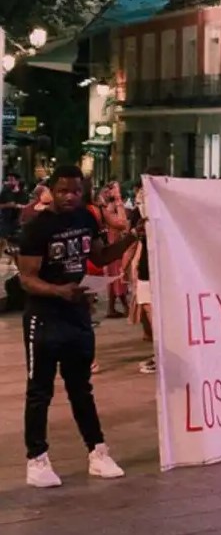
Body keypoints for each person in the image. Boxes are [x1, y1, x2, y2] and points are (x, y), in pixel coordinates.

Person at [18, 165, 141, 487]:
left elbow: (99, 258)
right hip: (44, 316)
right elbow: (26, 278)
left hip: (77, 313)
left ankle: (98, 452)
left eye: (75, 190)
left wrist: (129, 238)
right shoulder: (37, 228)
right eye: (62, 191)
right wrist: (59, 290)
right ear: (52, 191)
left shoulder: (87, 219)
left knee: (81, 387)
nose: (69, 196)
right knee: (39, 391)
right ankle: (37, 459)